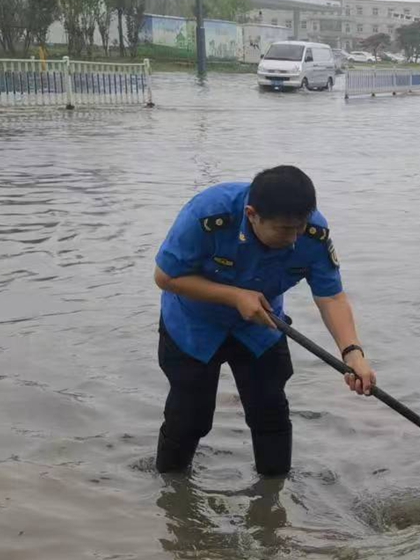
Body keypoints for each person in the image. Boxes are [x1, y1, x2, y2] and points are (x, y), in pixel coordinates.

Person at [152, 165, 375, 476]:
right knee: (190, 417)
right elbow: (165, 277)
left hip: (260, 328)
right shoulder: (208, 215)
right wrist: (235, 296)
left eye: (300, 227)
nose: (295, 238)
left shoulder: (312, 232)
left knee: (270, 415)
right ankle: (169, 494)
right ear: (252, 214)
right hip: (194, 325)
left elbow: (331, 297)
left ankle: (272, 506)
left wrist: (353, 353)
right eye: (285, 230)